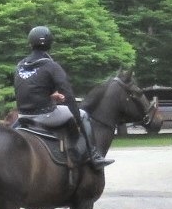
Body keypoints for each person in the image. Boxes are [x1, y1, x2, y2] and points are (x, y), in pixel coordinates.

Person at [14, 26, 113, 171]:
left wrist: (49, 95)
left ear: (30, 43)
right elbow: (69, 95)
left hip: (23, 116)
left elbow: (27, 90)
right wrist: (76, 118)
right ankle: (94, 155)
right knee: (84, 115)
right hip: (44, 115)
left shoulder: (20, 65)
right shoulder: (51, 65)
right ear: (49, 44)